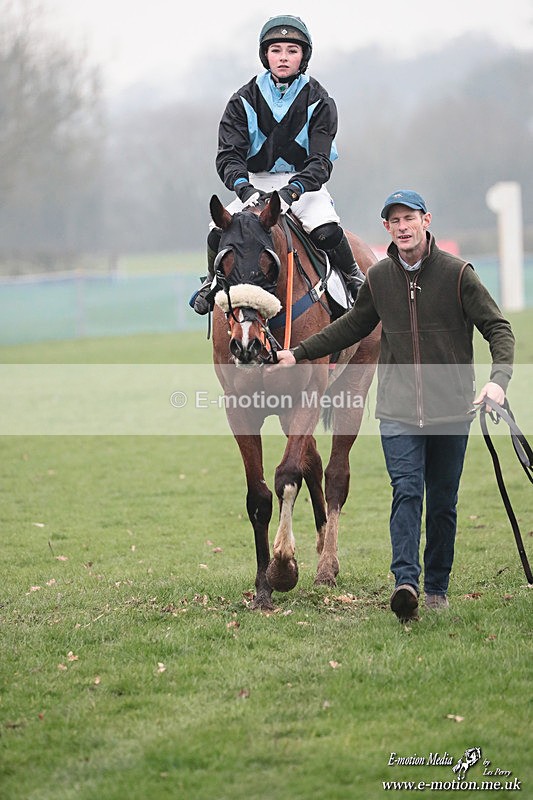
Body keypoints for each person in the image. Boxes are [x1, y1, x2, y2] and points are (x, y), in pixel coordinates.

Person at [275, 189, 515, 622]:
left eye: (410, 218)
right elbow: (350, 326)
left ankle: (437, 586)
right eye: (394, 221)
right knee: (406, 492)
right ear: (387, 228)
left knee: (442, 501)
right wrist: (301, 352)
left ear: (426, 220)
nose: (403, 227)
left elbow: (498, 328)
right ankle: (405, 582)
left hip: (451, 409)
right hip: (398, 411)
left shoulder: (459, 274)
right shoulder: (380, 278)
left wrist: (498, 383)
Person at [191, 14, 365, 314]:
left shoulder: (320, 100)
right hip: (255, 185)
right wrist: (244, 189)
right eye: (276, 50)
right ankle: (212, 282)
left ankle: (353, 279)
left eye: (292, 51)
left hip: (304, 184)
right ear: (266, 55)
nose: (283, 57)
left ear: (303, 57)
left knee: (327, 230)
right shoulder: (242, 99)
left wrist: (291, 192)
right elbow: (228, 156)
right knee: (217, 232)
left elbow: (320, 163)